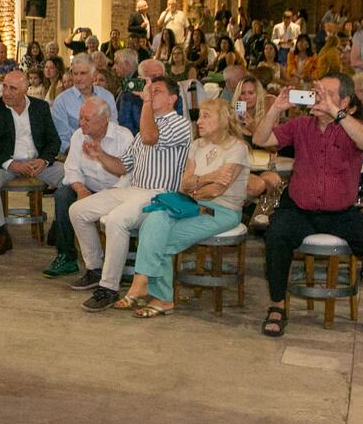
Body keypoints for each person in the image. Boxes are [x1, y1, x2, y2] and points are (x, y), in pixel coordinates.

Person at [253, 75, 363, 340]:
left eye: (327, 93)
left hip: (342, 212)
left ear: (346, 102)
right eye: (316, 91)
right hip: (299, 209)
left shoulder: (351, 127)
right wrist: (276, 108)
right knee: (276, 237)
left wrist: (334, 111)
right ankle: (277, 307)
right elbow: (261, 139)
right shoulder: (300, 125)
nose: (318, 96)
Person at [71, 75, 192, 311]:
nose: (150, 93)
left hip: (160, 193)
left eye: (157, 91)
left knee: (117, 220)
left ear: (172, 99)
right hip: (134, 189)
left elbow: (150, 137)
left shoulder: (180, 124)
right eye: (150, 91)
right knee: (78, 210)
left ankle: (108, 287)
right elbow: (122, 167)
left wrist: (146, 102)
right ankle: (95, 268)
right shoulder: (143, 130)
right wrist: (99, 154)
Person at [121, 99, 249, 317]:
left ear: (224, 119)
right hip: (191, 204)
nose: (199, 121)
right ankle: (146, 285)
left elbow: (216, 192)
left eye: (206, 116)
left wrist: (195, 188)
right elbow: (184, 184)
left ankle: (155, 292)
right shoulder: (197, 144)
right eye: (199, 116)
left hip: (222, 210)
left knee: (157, 237)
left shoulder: (237, 148)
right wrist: (208, 177)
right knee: (155, 219)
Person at [41, 97, 134, 278]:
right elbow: (71, 169)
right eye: (80, 117)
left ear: (104, 120)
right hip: (88, 188)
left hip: (117, 190)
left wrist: (109, 196)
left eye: (87, 119)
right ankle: (66, 256)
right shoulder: (78, 135)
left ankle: (120, 263)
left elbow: (129, 174)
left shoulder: (124, 137)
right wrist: (81, 190)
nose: (81, 122)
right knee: (62, 195)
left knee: (123, 207)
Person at [0, 69, 65, 256]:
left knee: (68, 175)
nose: (6, 92)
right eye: (5, 87)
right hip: (5, 164)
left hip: (36, 163)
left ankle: (59, 225)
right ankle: (1, 232)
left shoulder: (40, 108)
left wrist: (44, 160)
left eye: (13, 89)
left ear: (25, 90)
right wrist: (9, 163)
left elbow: (54, 141)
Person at [51, 54, 118, 149]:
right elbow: (62, 139)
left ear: (93, 75)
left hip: (107, 151)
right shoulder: (61, 101)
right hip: (74, 153)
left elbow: (114, 128)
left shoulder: (107, 96)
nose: (78, 78)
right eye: (75, 73)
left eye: (83, 73)